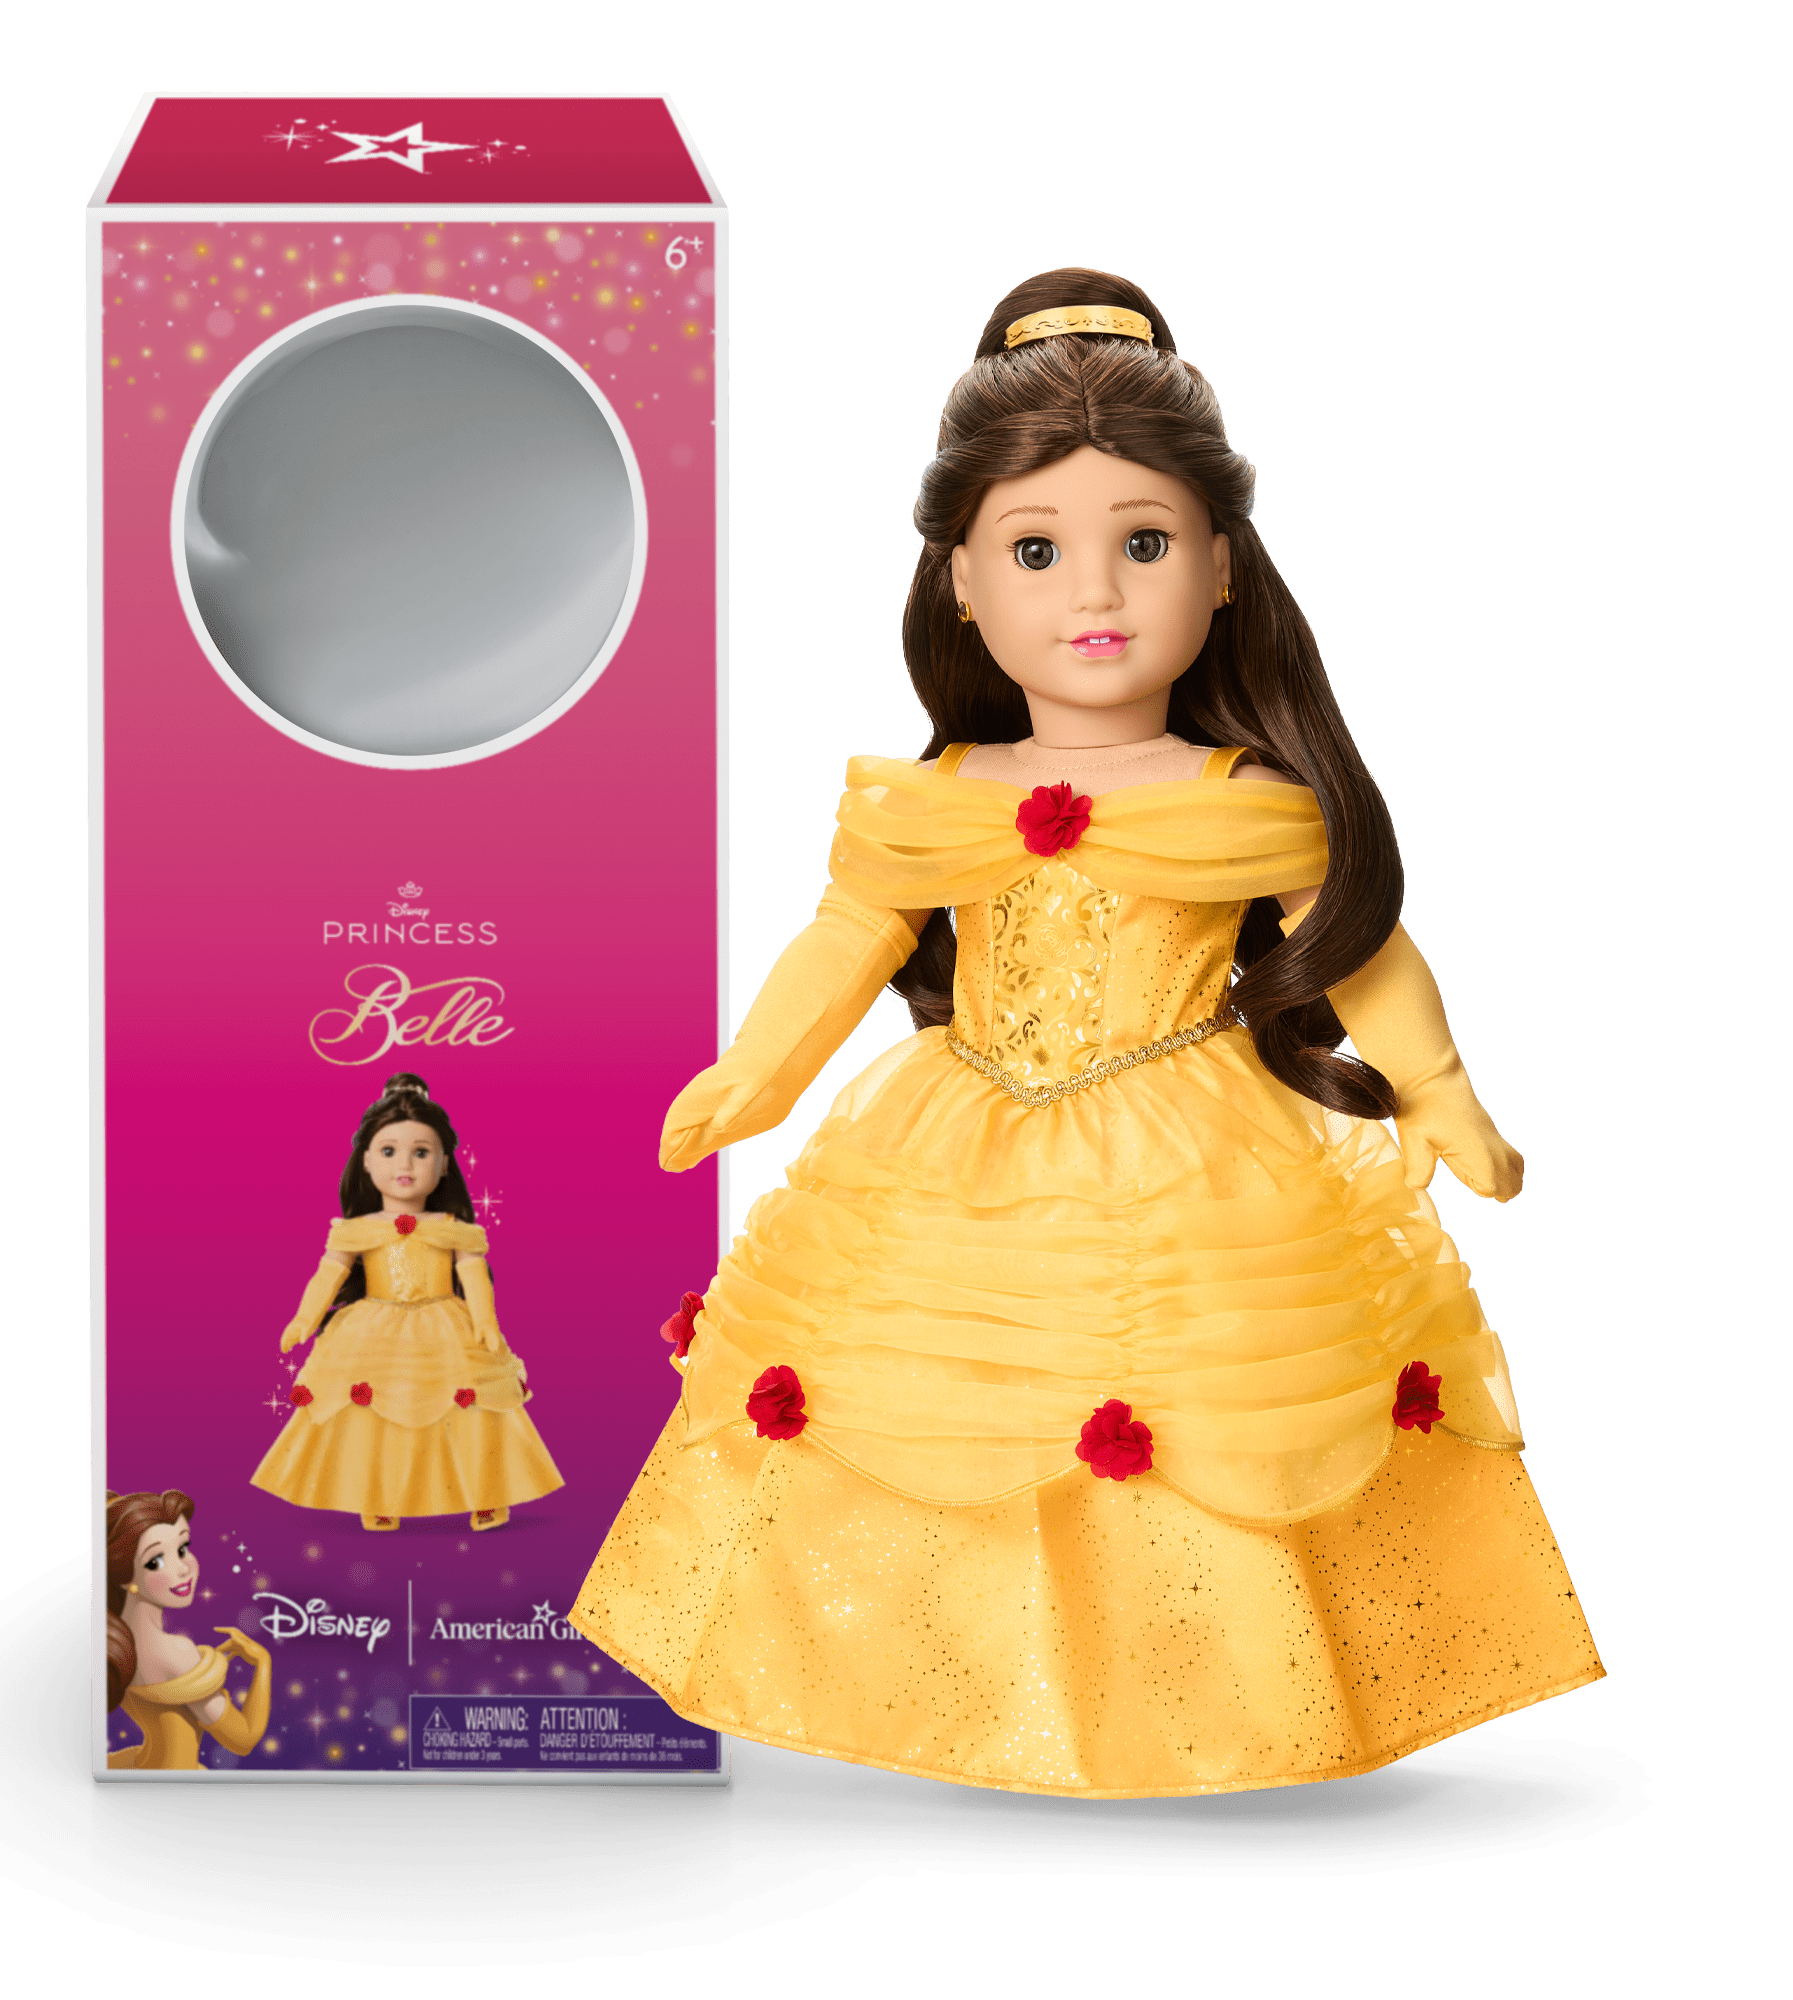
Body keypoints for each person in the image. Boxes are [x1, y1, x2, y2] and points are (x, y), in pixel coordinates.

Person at [570, 269, 1602, 1798]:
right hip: (960, 1126)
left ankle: (1210, 1715)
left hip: (1198, 1134)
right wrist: (758, 1070)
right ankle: (934, 1699)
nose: (1095, 597)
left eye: (1145, 545)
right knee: (931, 1403)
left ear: (1222, 570)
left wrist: (1437, 1089)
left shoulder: (1244, 801)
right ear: (963, 583)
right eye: (1039, 551)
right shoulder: (936, 798)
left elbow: (1363, 945)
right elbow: (851, 934)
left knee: (1211, 1410)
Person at [253, 1071, 563, 1532]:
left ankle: (487, 1494)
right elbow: (329, 1273)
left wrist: (485, 1322)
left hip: (446, 1324)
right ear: (366, 1160)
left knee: (473, 1409)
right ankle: (379, 1496)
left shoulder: (453, 1229)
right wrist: (304, 1318)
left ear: (443, 1165)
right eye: (389, 1151)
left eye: (421, 1152)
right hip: (372, 1327)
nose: (406, 1165)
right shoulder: (356, 1230)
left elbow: (473, 1275)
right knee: (375, 1413)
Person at [105, 1487, 272, 1770]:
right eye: (156, 1561)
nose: (183, 1569)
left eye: (182, 1549)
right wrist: (263, 1663)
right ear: (122, 1574)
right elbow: (243, 1739)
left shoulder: (114, 1640)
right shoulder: (174, 1653)